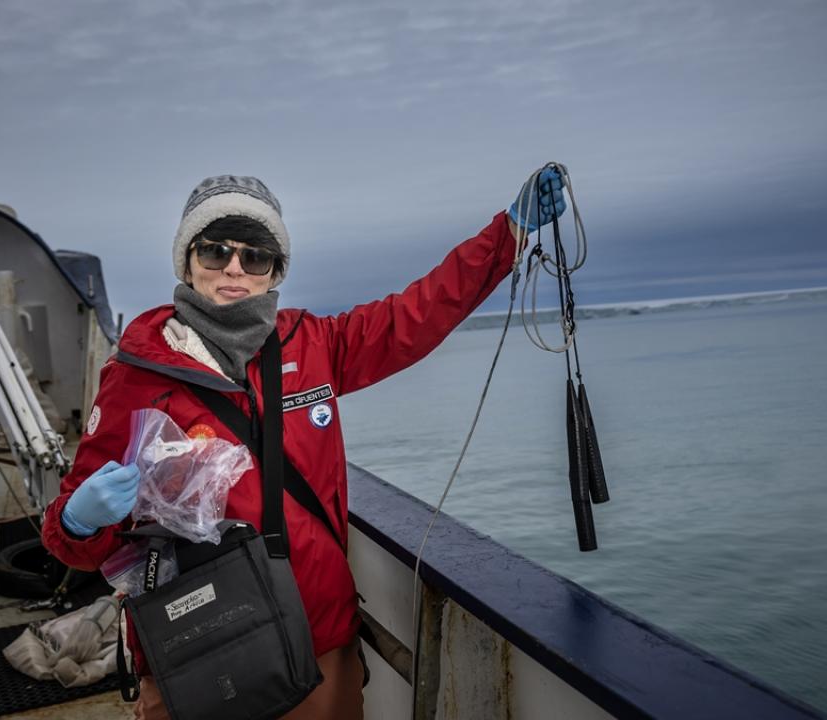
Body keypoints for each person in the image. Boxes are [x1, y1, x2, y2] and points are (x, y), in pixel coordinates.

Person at [42, 169, 566, 720]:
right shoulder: (136, 373)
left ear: (277, 270)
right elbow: (72, 544)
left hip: (318, 645)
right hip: (195, 654)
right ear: (187, 260)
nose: (235, 270)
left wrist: (508, 233)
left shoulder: (314, 344)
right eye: (215, 251)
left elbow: (416, 313)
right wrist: (80, 521)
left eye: (256, 256)